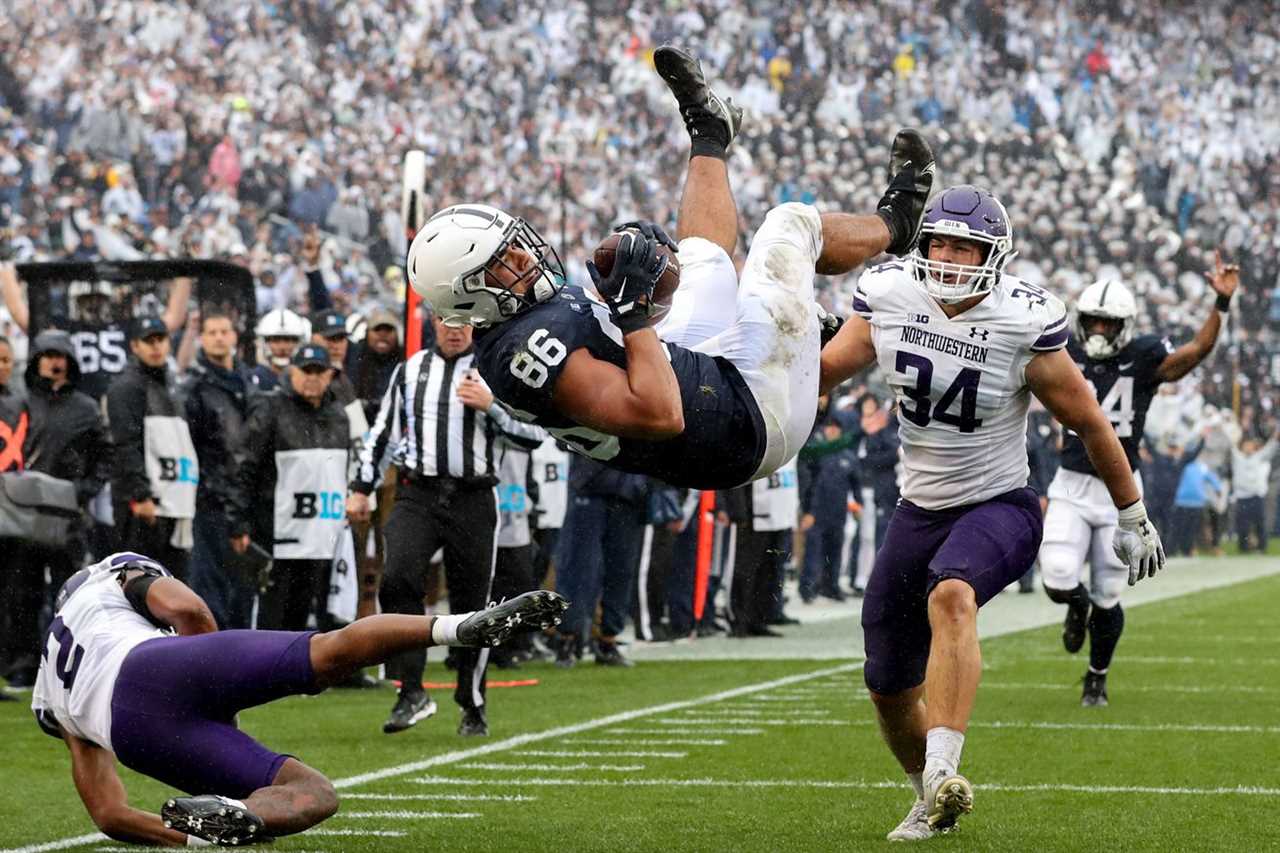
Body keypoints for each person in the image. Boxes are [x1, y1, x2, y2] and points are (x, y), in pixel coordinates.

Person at [406, 46, 935, 490]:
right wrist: (634, 313)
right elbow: (661, 414)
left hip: (706, 384)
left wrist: (649, 286)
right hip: (742, 425)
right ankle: (897, 223)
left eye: (514, 245)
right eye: (503, 263)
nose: (525, 256)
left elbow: (631, 345)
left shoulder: (524, 317)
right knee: (788, 226)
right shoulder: (525, 353)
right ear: (470, 297)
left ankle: (709, 134)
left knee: (701, 256)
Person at [818, 183, 1165, 838]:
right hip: (915, 508)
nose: (948, 257)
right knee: (887, 684)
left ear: (993, 256)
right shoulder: (890, 295)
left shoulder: (1021, 318)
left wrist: (1132, 512)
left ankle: (946, 768)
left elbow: (1091, 421)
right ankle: (930, 794)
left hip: (1000, 502)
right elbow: (822, 374)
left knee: (952, 592)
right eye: (939, 242)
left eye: (965, 245)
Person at [29, 550, 567, 846]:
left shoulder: (48, 682)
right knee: (330, 651)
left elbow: (108, 812)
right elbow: (187, 610)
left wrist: (185, 840)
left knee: (313, 792)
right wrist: (217, 693)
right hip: (153, 670)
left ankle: (237, 817)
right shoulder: (110, 577)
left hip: (134, 738)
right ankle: (458, 627)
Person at [1037, 256, 1237, 706]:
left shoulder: (1143, 356)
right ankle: (1075, 606)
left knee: (1109, 593)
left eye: (1108, 325)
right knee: (1057, 575)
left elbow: (1194, 353)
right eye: (1092, 323)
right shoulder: (1065, 352)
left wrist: (1221, 303)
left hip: (1121, 492)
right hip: (1071, 482)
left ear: (1125, 327)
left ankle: (1097, 676)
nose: (1099, 333)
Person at [348, 314, 541, 737]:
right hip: (418, 492)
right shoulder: (410, 369)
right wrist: (361, 487)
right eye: (445, 320)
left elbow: (532, 435)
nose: (454, 330)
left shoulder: (496, 369)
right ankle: (410, 690)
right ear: (432, 322)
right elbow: (382, 434)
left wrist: (491, 407)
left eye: (463, 322)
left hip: (473, 497)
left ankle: (472, 699)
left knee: (473, 604)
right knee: (397, 578)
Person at [5, 330, 111, 689]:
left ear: (69, 361)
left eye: (60, 354)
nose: (54, 361)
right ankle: (22, 666)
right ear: (36, 360)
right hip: (26, 514)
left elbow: (104, 457)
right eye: (47, 354)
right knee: (22, 591)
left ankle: (71, 662)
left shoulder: (86, 407)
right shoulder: (20, 403)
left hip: (68, 514)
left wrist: (83, 491)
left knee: (72, 593)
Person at [226, 344, 350, 631]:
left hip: (320, 536)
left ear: (330, 375)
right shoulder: (270, 408)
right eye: (306, 370)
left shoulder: (339, 415)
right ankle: (266, 674)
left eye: (319, 371)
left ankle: (296, 675)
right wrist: (238, 522)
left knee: (304, 615)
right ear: (292, 372)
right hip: (275, 534)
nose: (312, 378)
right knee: (272, 616)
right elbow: (245, 466)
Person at [105, 317, 197, 579]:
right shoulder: (126, 387)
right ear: (135, 346)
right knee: (140, 586)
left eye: (161, 340)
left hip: (173, 503)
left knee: (172, 585)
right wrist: (140, 495)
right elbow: (125, 444)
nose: (156, 347)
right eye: (149, 341)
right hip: (144, 505)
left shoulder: (171, 386)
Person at [182, 310, 254, 628]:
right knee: (211, 581)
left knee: (244, 584)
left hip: (248, 495)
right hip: (211, 497)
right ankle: (216, 653)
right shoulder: (194, 388)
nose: (219, 338)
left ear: (234, 337)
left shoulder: (251, 381)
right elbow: (196, 448)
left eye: (224, 331)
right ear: (202, 338)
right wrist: (212, 490)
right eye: (212, 332)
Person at [246, 308, 309, 393]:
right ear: (264, 342)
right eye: (275, 340)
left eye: (288, 340)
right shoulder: (251, 378)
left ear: (299, 342)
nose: (282, 347)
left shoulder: (308, 378)